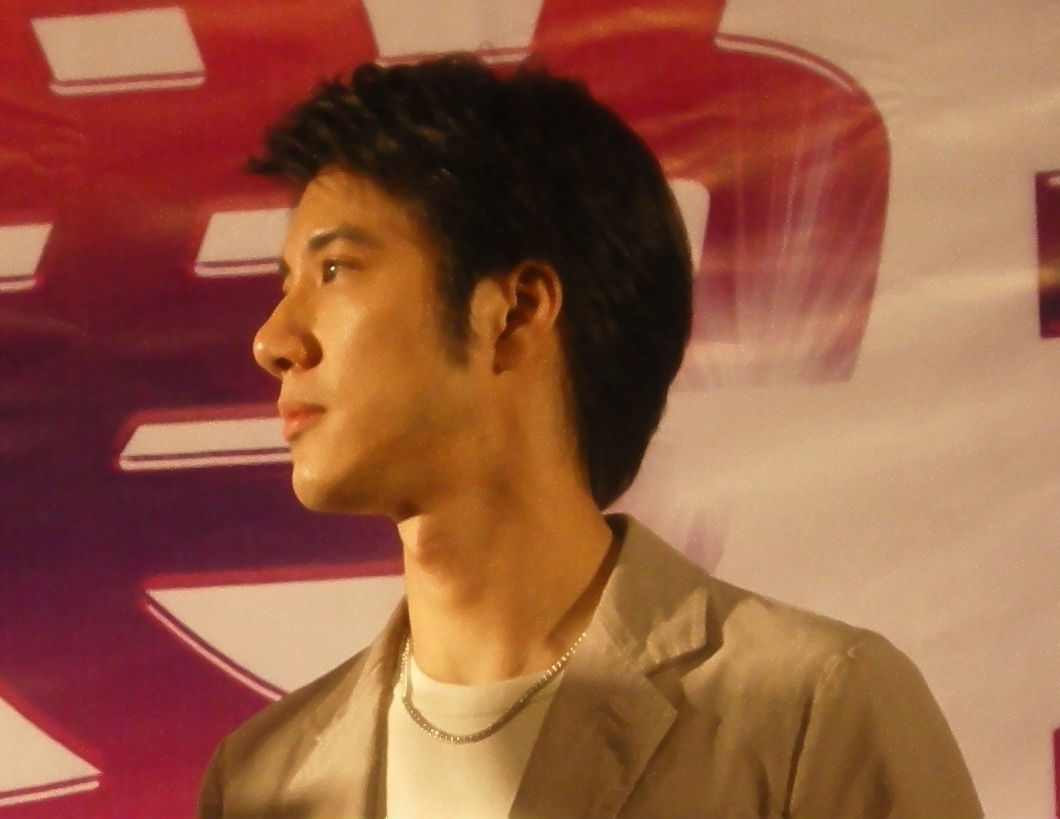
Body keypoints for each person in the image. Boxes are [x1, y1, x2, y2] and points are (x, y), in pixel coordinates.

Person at [196, 55, 982, 819]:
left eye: (334, 270)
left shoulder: (807, 712)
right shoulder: (262, 779)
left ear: (514, 313)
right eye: (286, 283)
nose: (273, 339)